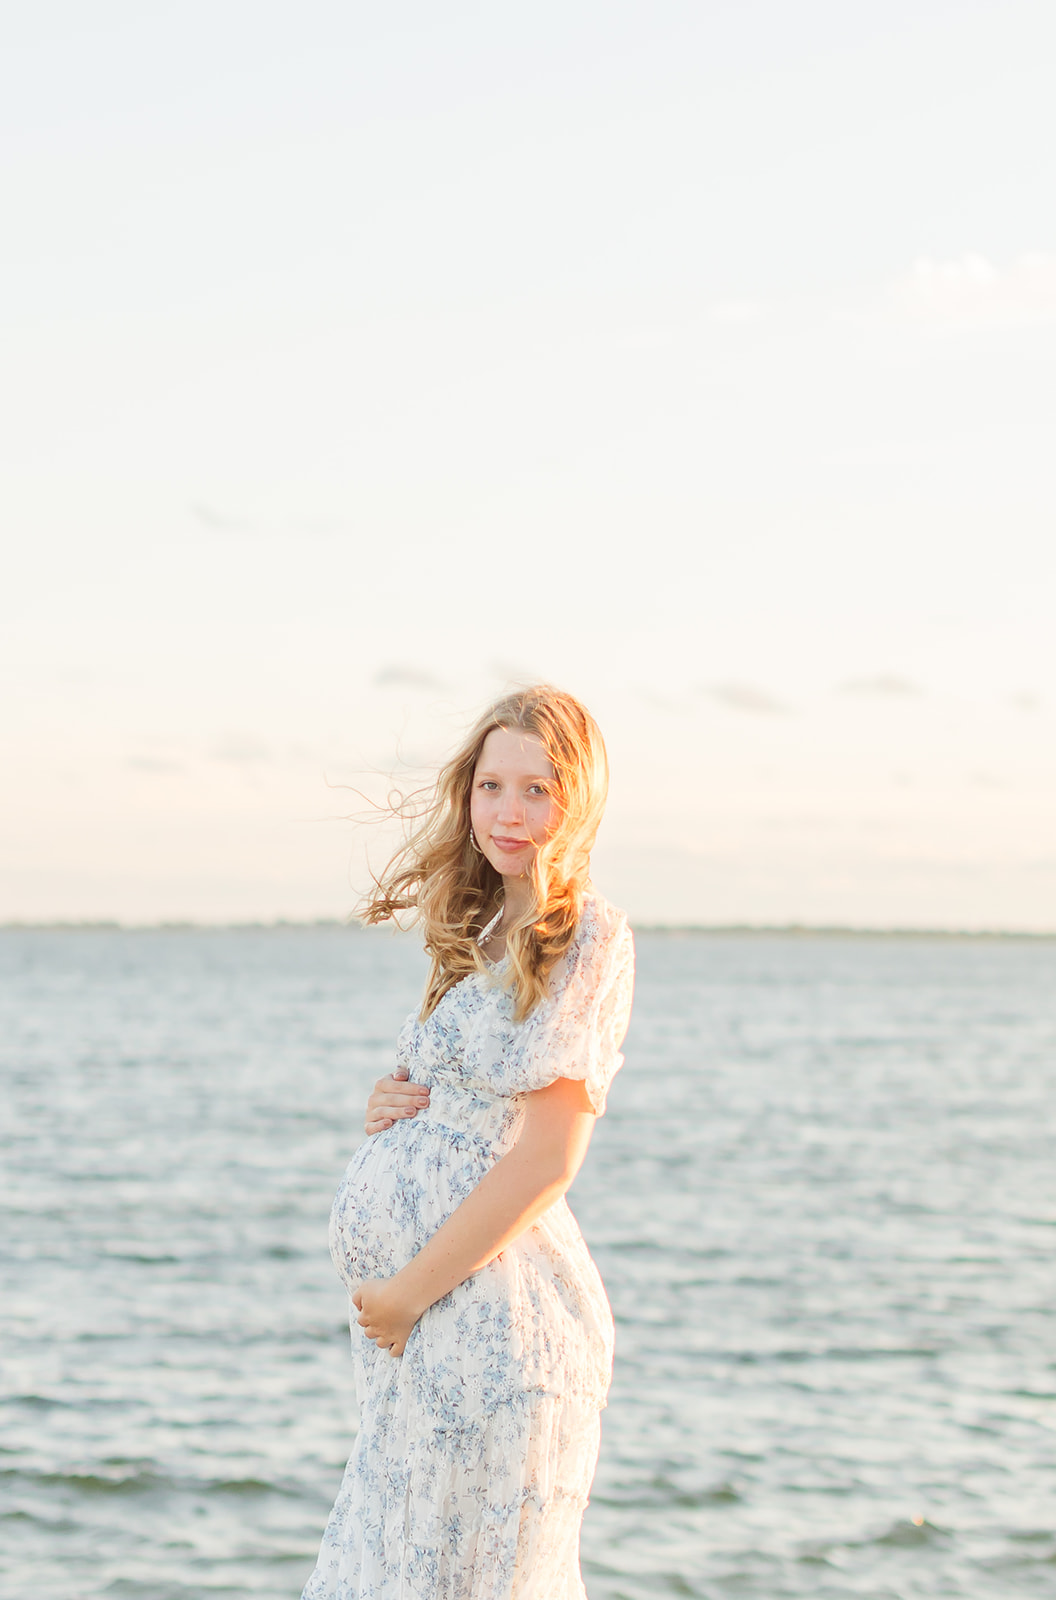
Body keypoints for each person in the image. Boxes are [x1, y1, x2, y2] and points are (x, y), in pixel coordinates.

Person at [300, 685, 635, 1600]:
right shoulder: (475, 926)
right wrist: (393, 1102)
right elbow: (465, 1097)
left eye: (538, 788)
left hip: (501, 1330)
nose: (509, 812)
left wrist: (406, 1293)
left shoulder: (589, 935)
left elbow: (547, 1158)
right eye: (492, 786)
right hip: (420, 1345)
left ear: (580, 799)